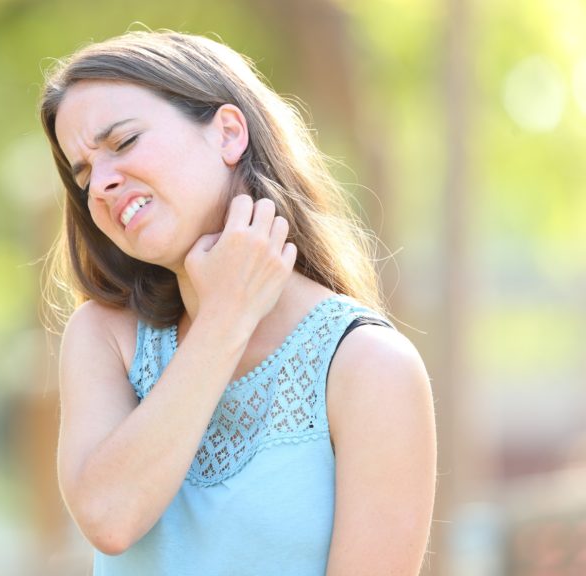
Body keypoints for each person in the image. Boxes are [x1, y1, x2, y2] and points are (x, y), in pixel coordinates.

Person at [38, 30, 437, 575]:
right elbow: (109, 518)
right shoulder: (104, 336)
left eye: (124, 143)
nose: (101, 184)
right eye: (83, 175)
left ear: (228, 133)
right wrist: (226, 317)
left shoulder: (370, 366)